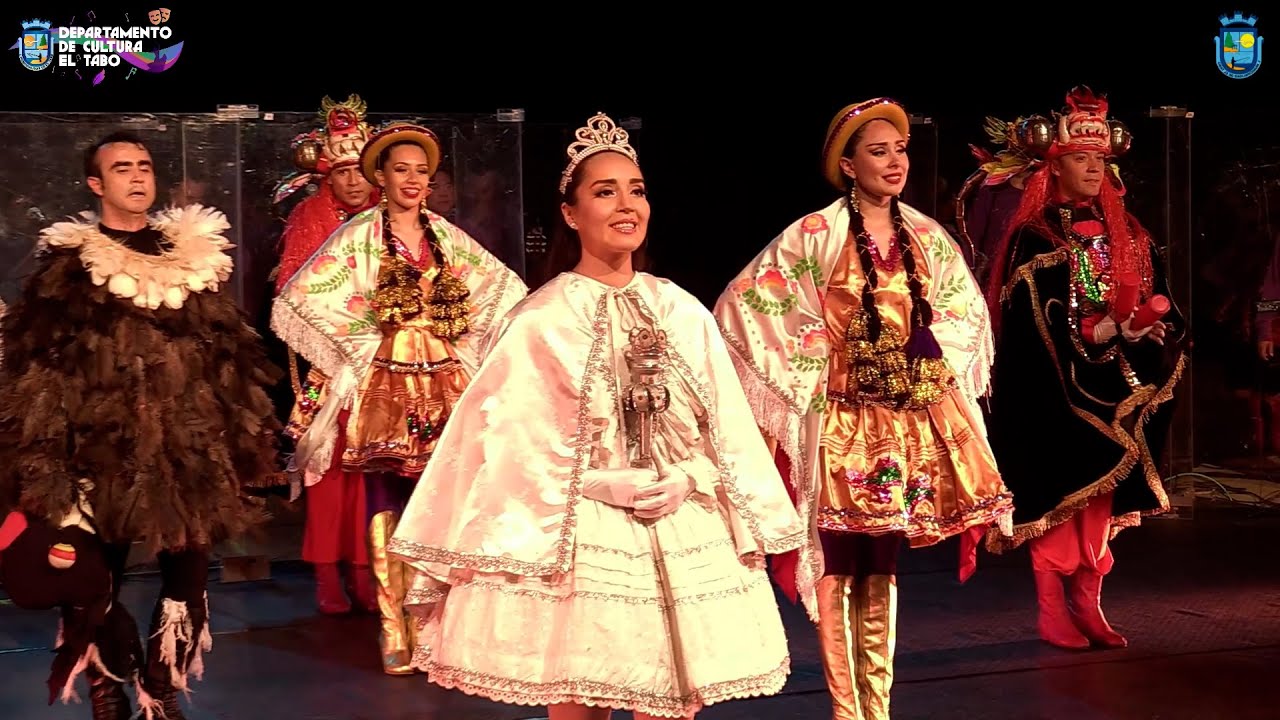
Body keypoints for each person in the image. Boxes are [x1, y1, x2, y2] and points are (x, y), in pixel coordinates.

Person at [387, 112, 804, 719]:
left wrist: (691, 476)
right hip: (582, 533)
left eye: (636, 190)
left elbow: (729, 432)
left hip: (680, 523)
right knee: (583, 698)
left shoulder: (681, 311)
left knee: (677, 698)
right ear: (570, 213)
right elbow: (506, 450)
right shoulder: (541, 319)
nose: (626, 204)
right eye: (605, 192)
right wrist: (597, 481)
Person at [712, 98, 1013, 720]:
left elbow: (962, 312)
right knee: (839, 559)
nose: (894, 162)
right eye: (878, 152)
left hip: (904, 417)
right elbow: (749, 303)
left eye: (899, 150)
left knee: (881, 560)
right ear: (847, 165)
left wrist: (927, 362)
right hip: (841, 418)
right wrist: (820, 358)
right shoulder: (814, 235)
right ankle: (847, 708)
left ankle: (877, 707)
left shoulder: (926, 236)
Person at [0, 131, 282, 720]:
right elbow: (42, 358)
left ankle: (161, 682)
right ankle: (106, 681)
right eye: (122, 167)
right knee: (94, 574)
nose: (137, 177)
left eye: (145, 166)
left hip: (187, 444)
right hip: (103, 446)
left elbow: (224, 349)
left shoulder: (191, 256)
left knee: (189, 573)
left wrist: (236, 427)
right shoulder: (73, 263)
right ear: (96, 184)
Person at [270, 121, 528, 675]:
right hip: (384, 384)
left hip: (445, 382)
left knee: (447, 500)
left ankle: (439, 626)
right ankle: (395, 629)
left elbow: (504, 291)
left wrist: (458, 340)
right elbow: (304, 297)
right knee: (386, 501)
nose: (413, 181)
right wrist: (363, 348)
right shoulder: (359, 236)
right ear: (380, 177)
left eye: (421, 172)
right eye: (401, 171)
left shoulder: (447, 237)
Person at [979, 87, 1186, 650]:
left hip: (1120, 382)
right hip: (1061, 386)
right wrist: (1094, 332)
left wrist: (1150, 331)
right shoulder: (1036, 235)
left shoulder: (1132, 234)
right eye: (1080, 159)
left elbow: (1162, 297)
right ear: (1054, 167)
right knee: (1062, 490)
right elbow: (1031, 322)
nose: (1093, 169)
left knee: (1100, 500)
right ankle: (1051, 606)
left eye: (1100, 160)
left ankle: (1089, 601)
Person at [269, 94, 381, 616]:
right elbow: (296, 296)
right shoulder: (310, 218)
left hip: (383, 362)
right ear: (325, 177)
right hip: (327, 365)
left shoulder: (391, 218)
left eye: (361, 170)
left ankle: (367, 570)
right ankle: (325, 575)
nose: (353, 181)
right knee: (327, 469)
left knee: (372, 470)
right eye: (342, 172)